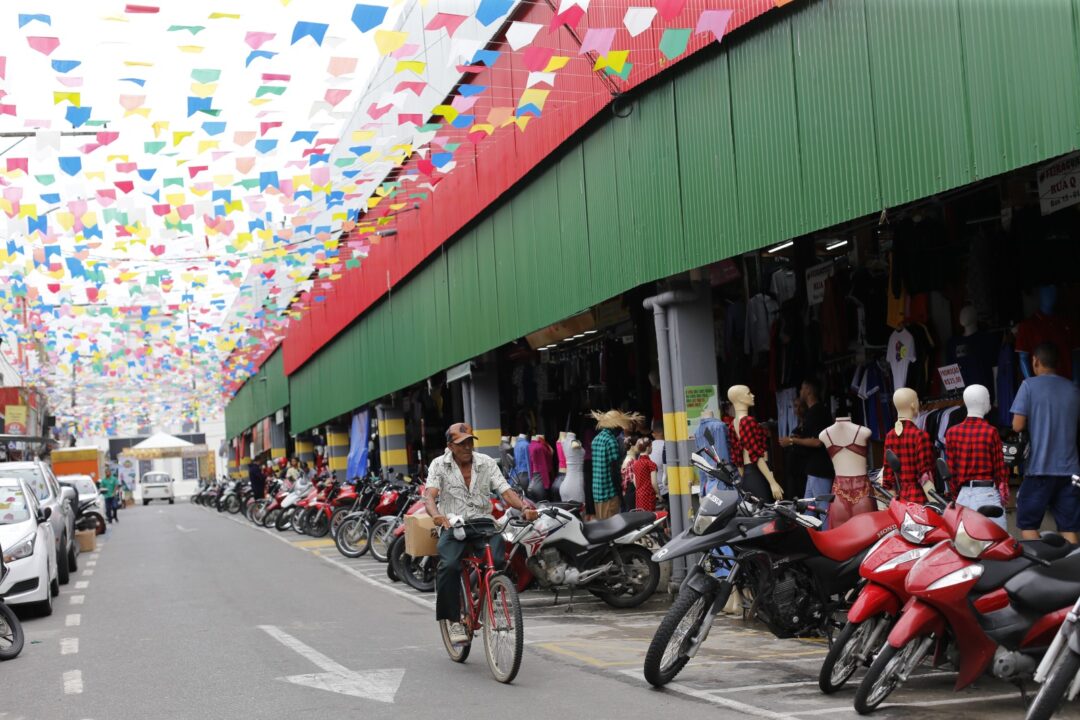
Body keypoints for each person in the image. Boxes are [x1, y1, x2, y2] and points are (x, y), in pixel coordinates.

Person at [425, 422, 537, 645]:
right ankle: (454, 619)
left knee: (496, 561)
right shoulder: (439, 464)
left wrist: (524, 507)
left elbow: (505, 491)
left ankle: (484, 596)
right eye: (461, 444)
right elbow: (430, 495)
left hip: (484, 523)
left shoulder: (486, 463)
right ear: (450, 446)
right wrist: (437, 515)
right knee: (448, 566)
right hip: (453, 525)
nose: (467, 447)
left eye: (469, 442)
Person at [1011, 342, 1080, 543]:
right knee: (1068, 527)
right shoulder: (1073, 389)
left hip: (1039, 469)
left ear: (1036, 361)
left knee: (1028, 524)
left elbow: (1017, 425)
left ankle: (1040, 572)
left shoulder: (1028, 386)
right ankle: (1074, 571)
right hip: (1071, 471)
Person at [779, 379, 834, 514]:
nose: (800, 392)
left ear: (808, 390)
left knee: (823, 510)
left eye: (802, 389)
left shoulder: (817, 411)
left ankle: (827, 534)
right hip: (813, 470)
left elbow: (817, 441)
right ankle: (810, 535)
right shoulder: (814, 412)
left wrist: (792, 441)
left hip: (819, 469)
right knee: (808, 510)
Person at [590, 410, 642, 519]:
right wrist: (620, 492)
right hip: (609, 493)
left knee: (602, 526)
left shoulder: (595, 440)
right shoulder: (611, 441)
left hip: (597, 493)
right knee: (611, 528)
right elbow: (614, 470)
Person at [632, 437, 659, 511]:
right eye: (651, 446)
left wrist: (641, 489)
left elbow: (635, 482)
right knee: (650, 518)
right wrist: (658, 494)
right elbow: (654, 483)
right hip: (649, 496)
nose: (652, 448)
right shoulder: (651, 464)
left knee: (641, 518)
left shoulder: (635, 464)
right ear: (648, 448)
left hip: (639, 496)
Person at [620, 440, 640, 512]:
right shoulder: (631, 461)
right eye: (637, 444)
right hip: (631, 491)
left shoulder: (626, 459)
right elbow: (635, 482)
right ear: (632, 446)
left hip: (627, 492)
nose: (639, 446)